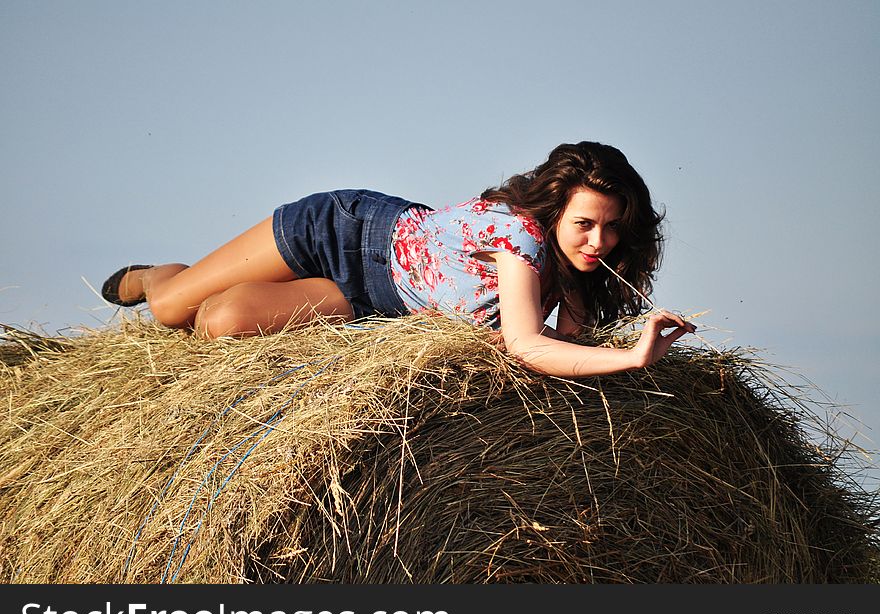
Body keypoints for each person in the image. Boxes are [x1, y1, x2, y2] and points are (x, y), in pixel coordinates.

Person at [101, 141, 695, 378]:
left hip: (373, 303)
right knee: (172, 309)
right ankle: (159, 274)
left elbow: (559, 349)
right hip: (345, 233)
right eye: (585, 224)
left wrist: (596, 331)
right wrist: (633, 357)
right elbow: (526, 345)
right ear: (553, 212)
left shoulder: (574, 275)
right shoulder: (520, 236)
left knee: (220, 322)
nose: (598, 242)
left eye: (612, 228)